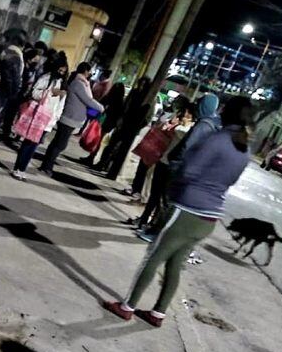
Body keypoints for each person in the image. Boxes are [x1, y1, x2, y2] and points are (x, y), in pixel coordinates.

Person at [103, 97, 255, 327]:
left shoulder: (216, 139)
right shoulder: (244, 149)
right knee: (175, 264)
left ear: (228, 113)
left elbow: (189, 170)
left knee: (153, 257)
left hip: (186, 209)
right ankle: (158, 313)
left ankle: (127, 307)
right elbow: (230, 180)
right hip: (209, 216)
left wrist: (174, 185)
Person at [134, 101, 195, 235]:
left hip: (171, 166)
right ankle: (144, 220)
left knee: (161, 198)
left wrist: (178, 124)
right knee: (154, 195)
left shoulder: (189, 130)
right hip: (163, 162)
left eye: (187, 113)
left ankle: (152, 224)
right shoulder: (184, 128)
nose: (184, 114)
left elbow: (179, 132)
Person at [39, 62, 104, 176]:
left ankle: (46, 165)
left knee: (57, 143)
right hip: (69, 117)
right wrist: (100, 107)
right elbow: (87, 100)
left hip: (70, 117)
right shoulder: (79, 83)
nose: (90, 74)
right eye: (89, 71)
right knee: (60, 144)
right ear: (85, 71)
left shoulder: (79, 82)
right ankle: (47, 166)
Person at [10, 55, 68, 180]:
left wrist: (55, 119)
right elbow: (34, 93)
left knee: (34, 146)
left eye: (64, 71)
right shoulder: (46, 78)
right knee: (28, 143)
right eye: (60, 70)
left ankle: (22, 169)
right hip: (37, 116)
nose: (61, 73)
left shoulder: (62, 84)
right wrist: (51, 92)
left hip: (48, 120)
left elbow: (60, 105)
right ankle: (18, 168)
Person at [95, 76, 152, 178]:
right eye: (140, 83)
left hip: (133, 127)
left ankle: (112, 172)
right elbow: (126, 105)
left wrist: (138, 127)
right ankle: (101, 164)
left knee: (122, 151)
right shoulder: (134, 92)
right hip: (124, 122)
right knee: (111, 145)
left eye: (143, 84)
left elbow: (148, 116)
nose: (141, 86)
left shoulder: (148, 97)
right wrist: (120, 119)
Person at [0, 31, 28, 138]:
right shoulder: (15, 56)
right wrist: (14, 92)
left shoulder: (0, 51)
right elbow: (13, 77)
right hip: (3, 92)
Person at [80, 82, 126, 166]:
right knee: (99, 139)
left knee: (97, 139)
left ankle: (91, 157)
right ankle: (91, 156)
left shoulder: (110, 98)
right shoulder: (120, 101)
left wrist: (91, 115)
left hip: (103, 120)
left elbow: (99, 106)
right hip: (108, 122)